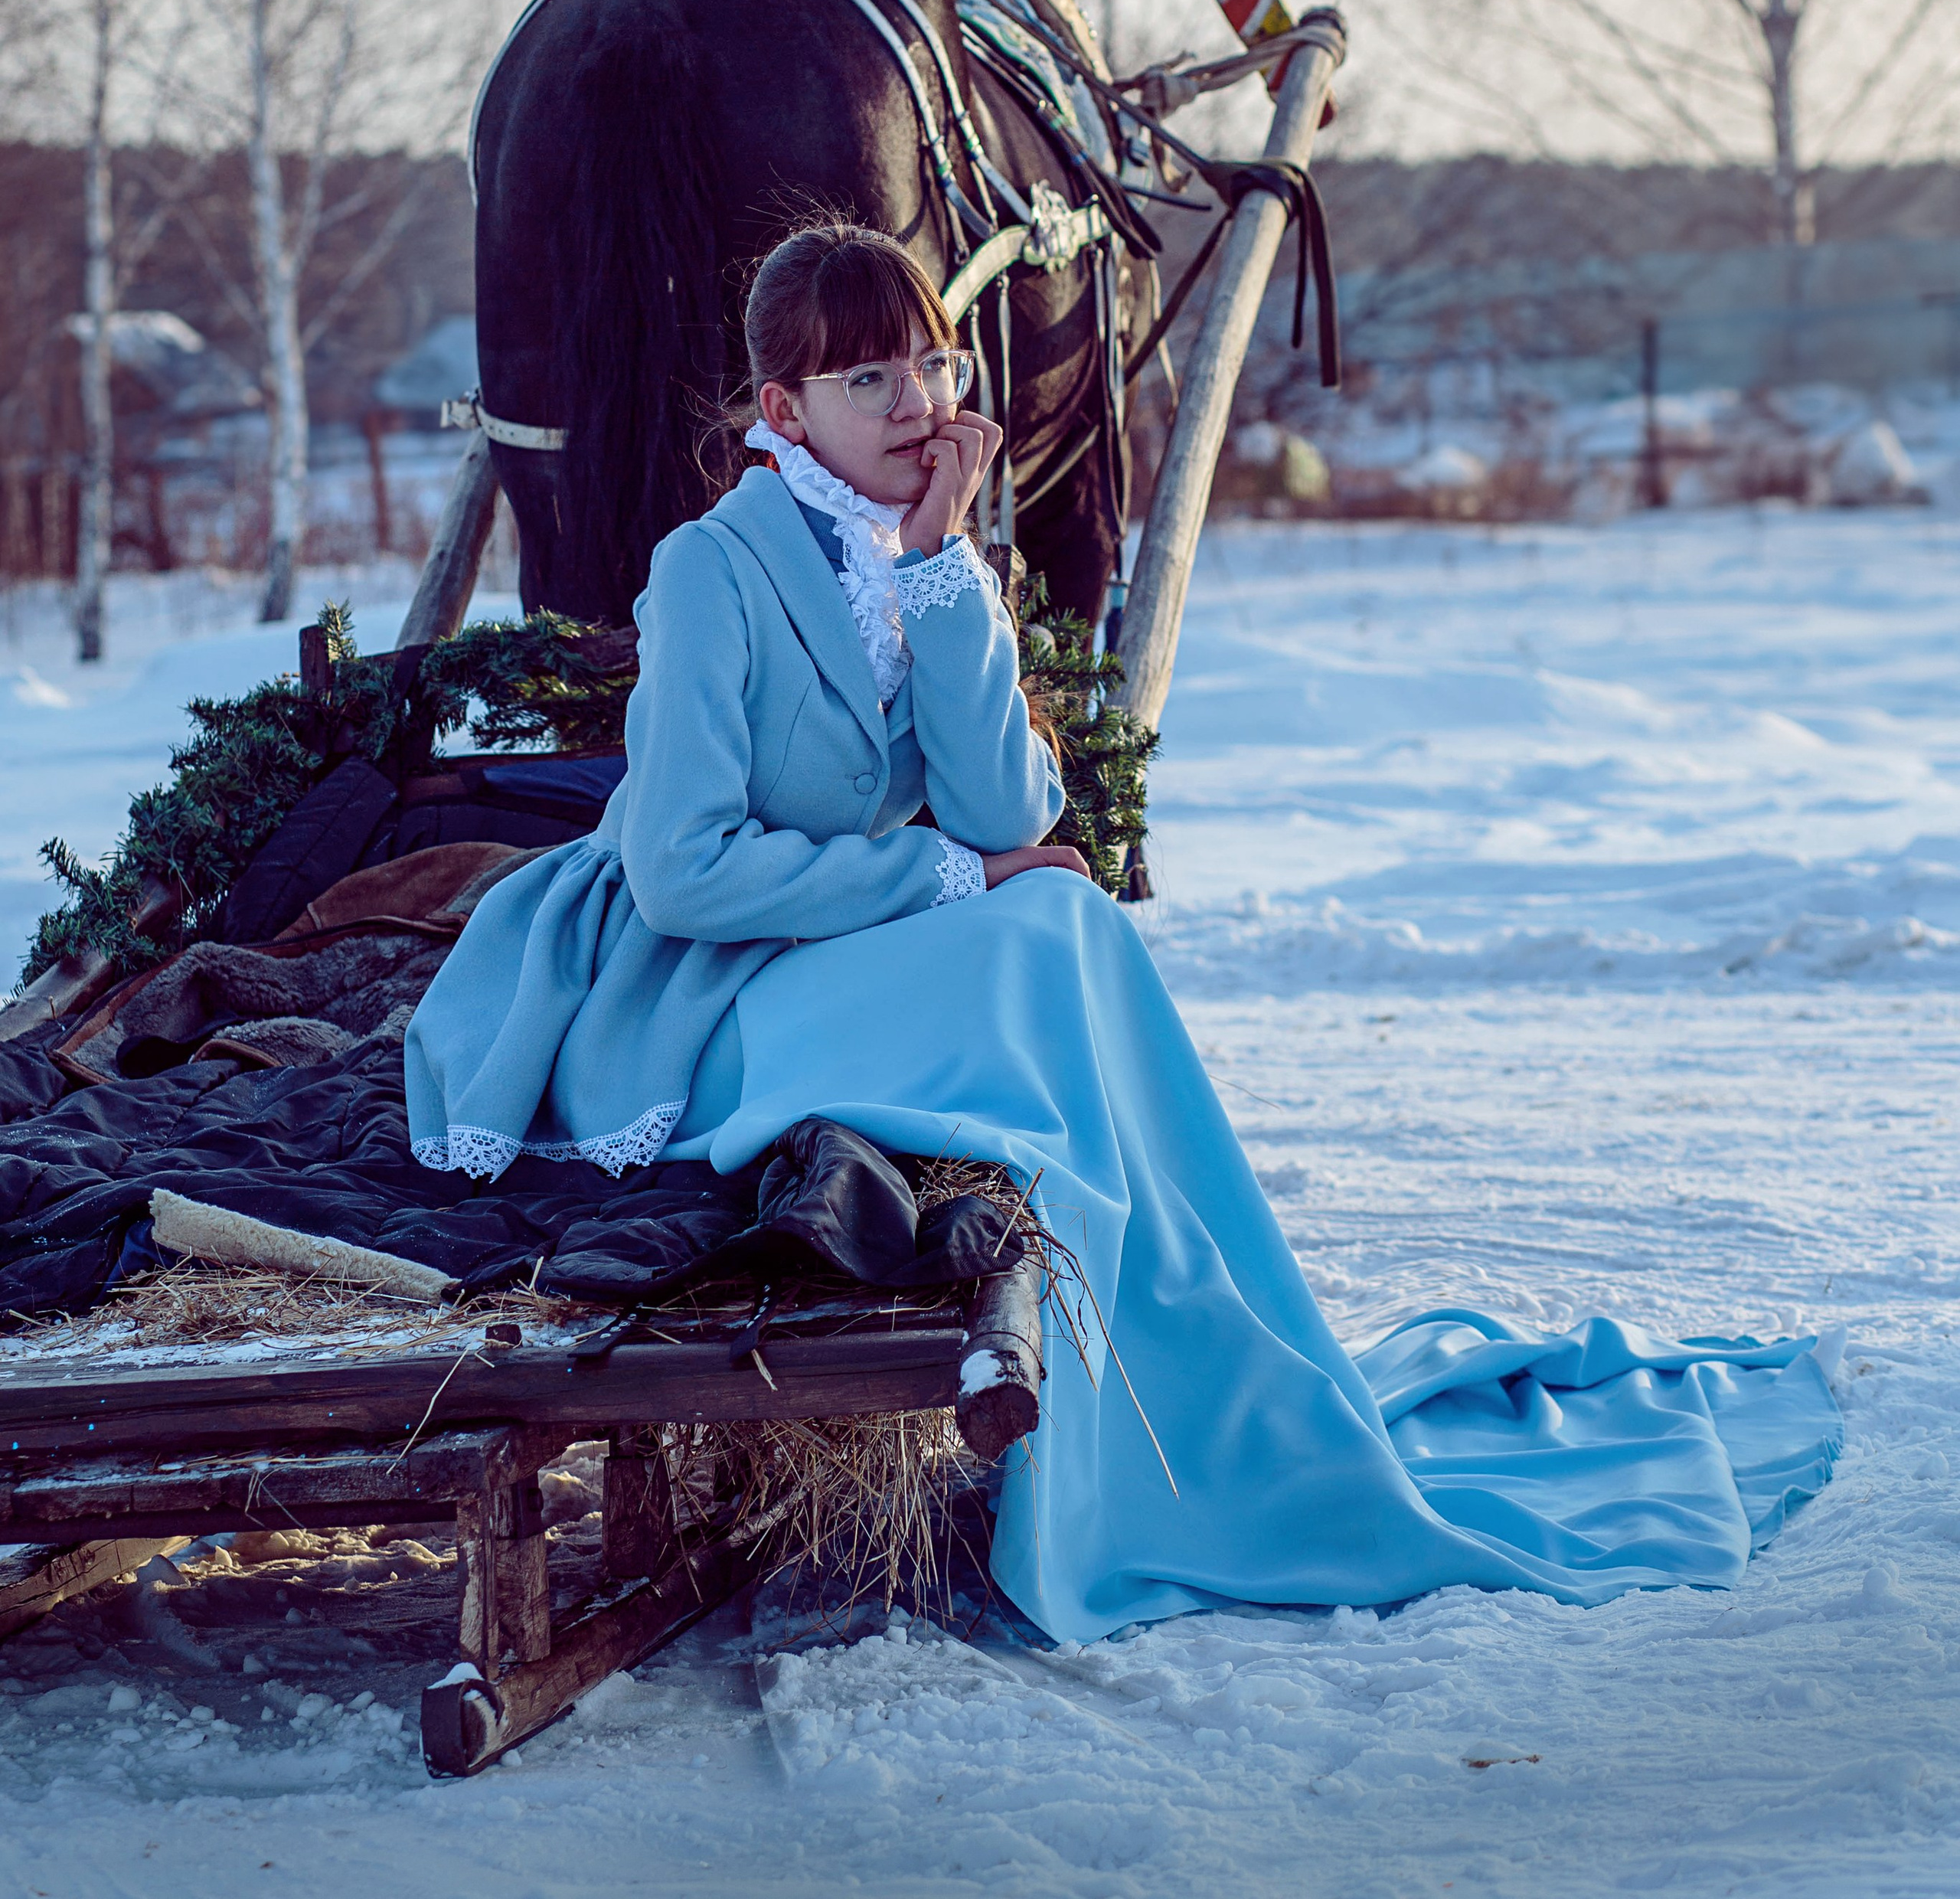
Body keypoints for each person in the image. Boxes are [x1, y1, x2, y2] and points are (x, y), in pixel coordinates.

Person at [407, 221, 1838, 1645]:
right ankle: (1135, 1419)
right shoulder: (713, 568)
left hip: (834, 960)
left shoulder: (914, 554)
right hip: (693, 992)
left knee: (1060, 919)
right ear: (783, 412)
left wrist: (942, 573)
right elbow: (683, 874)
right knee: (1037, 927)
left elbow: (1005, 802)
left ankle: (1185, 1373)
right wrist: (941, 883)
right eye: (867, 384)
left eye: (931, 362)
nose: (919, 405)